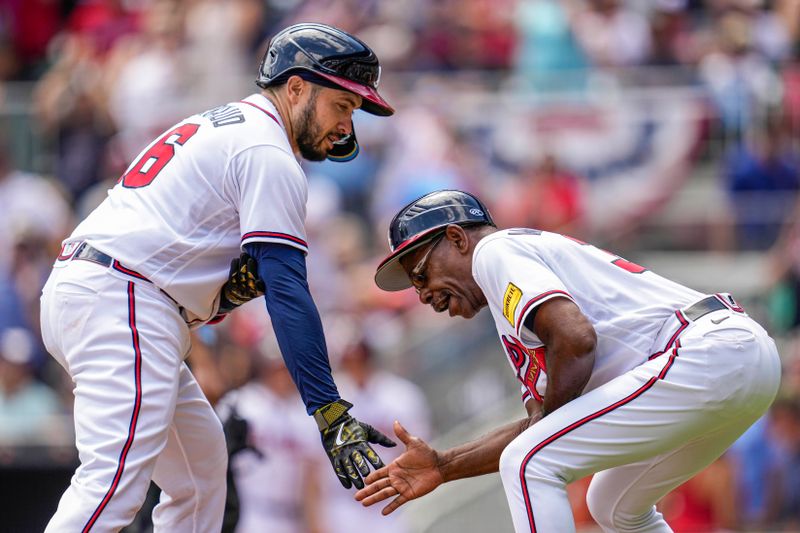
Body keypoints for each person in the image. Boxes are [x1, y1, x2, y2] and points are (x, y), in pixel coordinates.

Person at [39, 23, 396, 532]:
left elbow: (191, 258)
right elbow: (288, 292)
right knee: (110, 488)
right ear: (295, 87)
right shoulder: (268, 151)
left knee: (201, 475)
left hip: (112, 289)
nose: (346, 126)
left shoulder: (231, 125)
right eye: (342, 105)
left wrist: (220, 296)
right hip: (122, 298)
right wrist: (329, 412)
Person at [357, 189, 782, 532]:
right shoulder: (514, 316)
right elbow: (540, 423)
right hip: (727, 364)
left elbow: (575, 338)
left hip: (708, 351)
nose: (422, 293)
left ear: (456, 238)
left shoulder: (493, 253)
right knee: (612, 505)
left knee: (529, 462)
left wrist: (544, 434)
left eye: (420, 273)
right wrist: (446, 466)